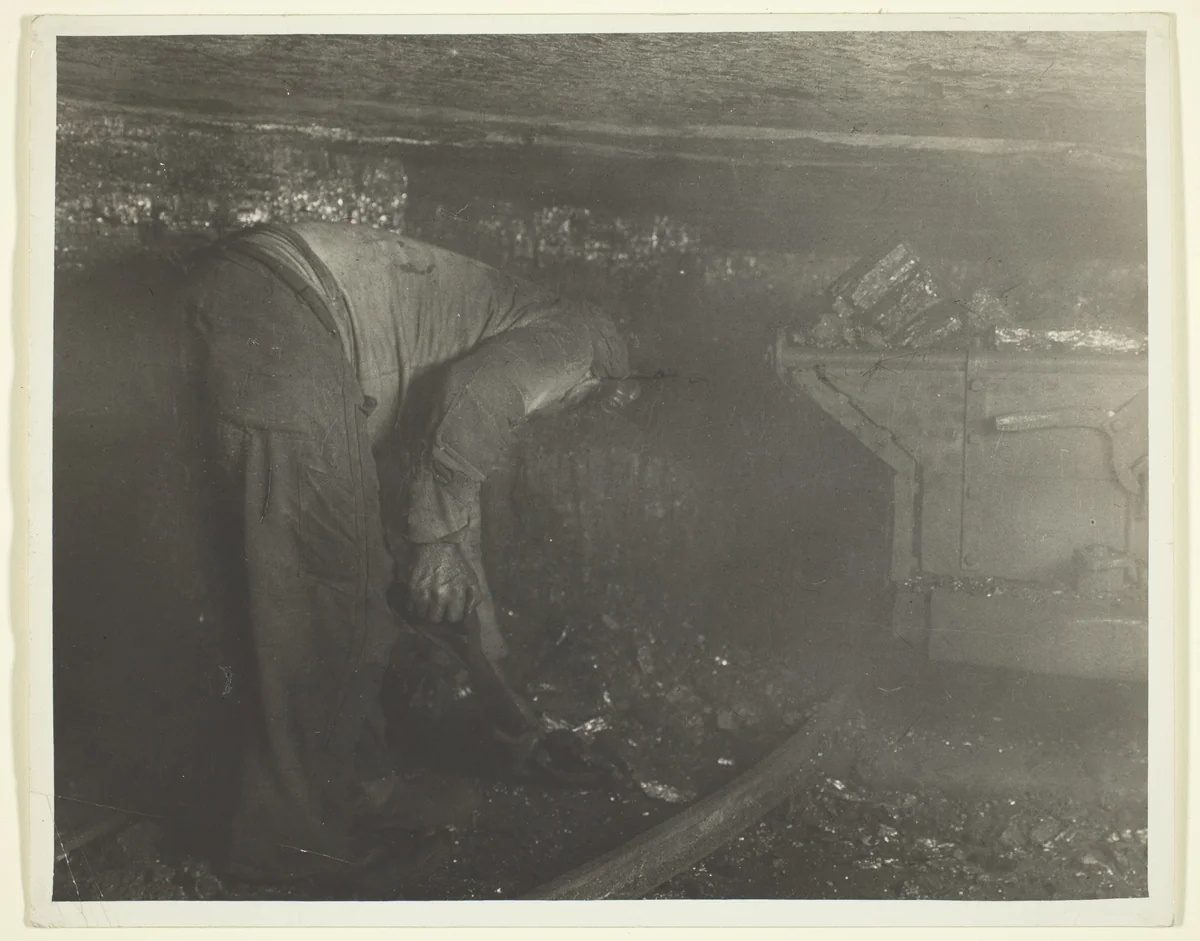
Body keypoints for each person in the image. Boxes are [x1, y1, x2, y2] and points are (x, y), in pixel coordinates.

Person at [176, 219, 637, 887]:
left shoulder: (477, 329)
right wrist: (433, 543)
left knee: (332, 586)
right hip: (285, 313)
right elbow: (477, 400)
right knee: (330, 602)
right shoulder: (581, 340)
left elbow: (450, 513)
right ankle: (289, 846)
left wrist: (494, 669)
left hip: (247, 302)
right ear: (602, 380)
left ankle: (360, 794)